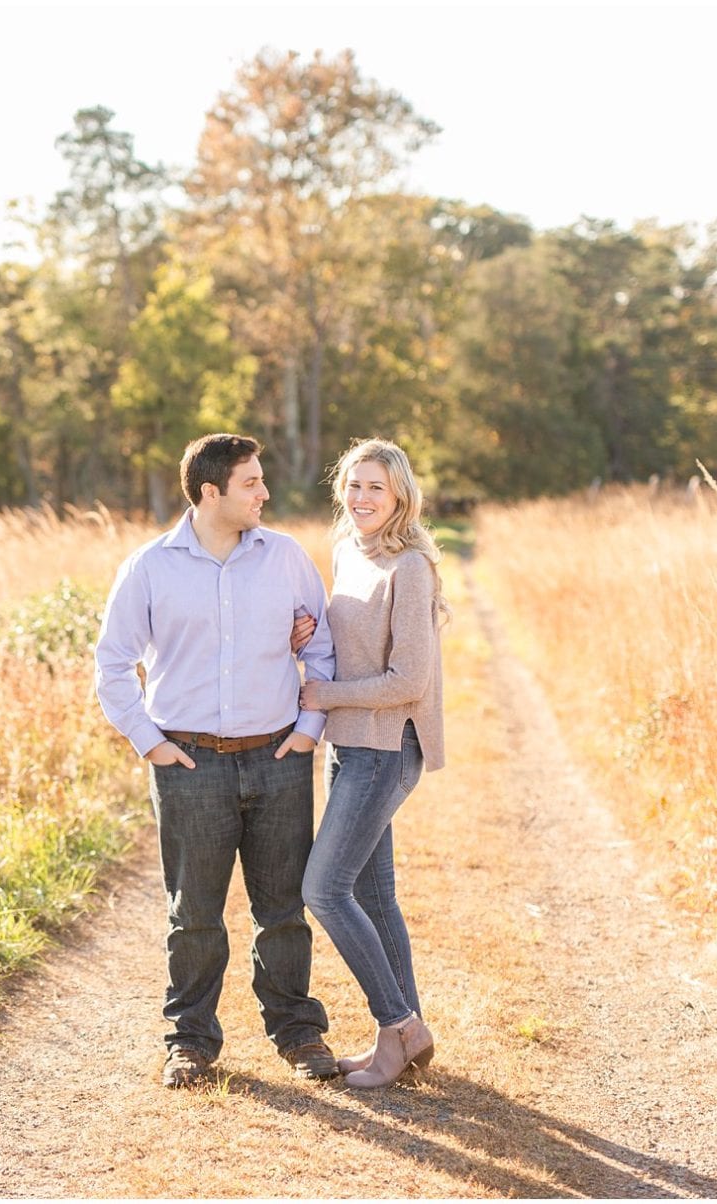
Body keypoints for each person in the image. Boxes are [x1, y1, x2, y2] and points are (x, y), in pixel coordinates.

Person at [94, 433, 341, 1088]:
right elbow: (113, 664)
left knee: (283, 908)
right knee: (194, 911)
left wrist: (310, 730)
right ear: (211, 492)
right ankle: (191, 1042)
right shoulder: (150, 567)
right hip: (189, 764)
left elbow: (322, 651)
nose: (265, 493)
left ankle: (298, 1033)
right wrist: (150, 743)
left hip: (279, 756)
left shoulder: (286, 558)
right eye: (252, 483)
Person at [295, 437, 448, 1088]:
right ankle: (408, 1035)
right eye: (354, 486)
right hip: (349, 742)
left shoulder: (410, 566)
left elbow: (409, 678)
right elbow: (350, 638)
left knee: (324, 890)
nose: (362, 498)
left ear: (400, 497)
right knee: (373, 894)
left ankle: (398, 1027)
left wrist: (324, 695)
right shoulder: (346, 551)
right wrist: (307, 635)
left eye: (375, 488)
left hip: (387, 748)